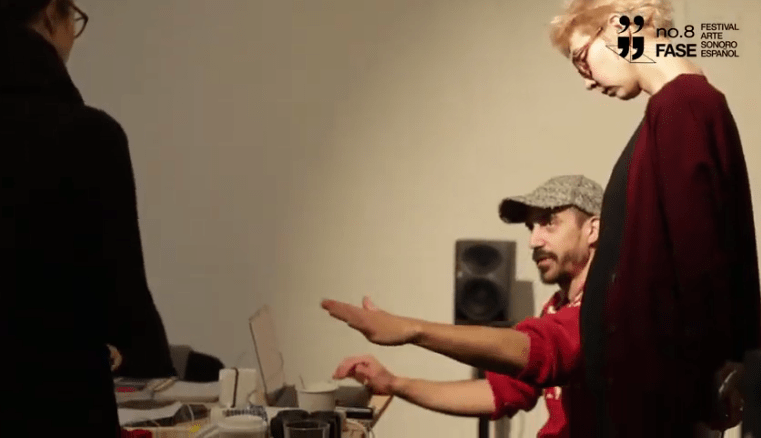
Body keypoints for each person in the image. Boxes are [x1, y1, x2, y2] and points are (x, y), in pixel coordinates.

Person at [548, 0, 760, 436]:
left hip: (662, 404)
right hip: (653, 397)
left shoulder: (683, 105)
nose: (586, 80)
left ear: (618, 26)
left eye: (581, 59)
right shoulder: (676, 108)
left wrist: (710, 377)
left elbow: (700, 257)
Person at [0, 0, 175, 435]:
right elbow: (124, 307)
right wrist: (144, 354)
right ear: (51, 13)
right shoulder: (88, 137)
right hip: (56, 407)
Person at [324, 175, 602, 437]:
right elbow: (500, 393)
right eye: (531, 227)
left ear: (593, 230)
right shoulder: (557, 307)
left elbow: (544, 348)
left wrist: (412, 330)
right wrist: (394, 383)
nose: (533, 241)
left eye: (549, 223)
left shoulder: (607, 306)